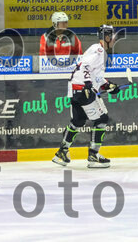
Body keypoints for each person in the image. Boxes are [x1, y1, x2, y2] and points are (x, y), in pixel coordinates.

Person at [52, 25, 119, 168]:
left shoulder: (95, 49)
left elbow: (96, 76)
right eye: (112, 36)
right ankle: (93, 155)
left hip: (75, 89)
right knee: (102, 119)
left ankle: (61, 153)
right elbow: (86, 67)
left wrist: (109, 85)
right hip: (83, 89)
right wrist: (88, 84)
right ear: (107, 37)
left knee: (78, 120)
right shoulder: (100, 50)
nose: (114, 39)